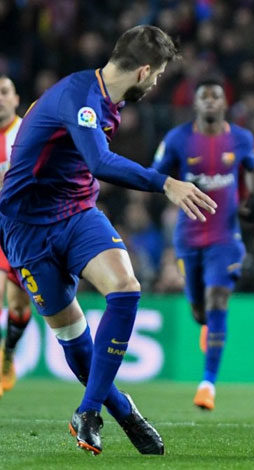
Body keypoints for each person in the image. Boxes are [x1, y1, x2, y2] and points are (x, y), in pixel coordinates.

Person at [0, 26, 217, 455]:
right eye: (158, 75)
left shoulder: (104, 98)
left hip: (77, 212)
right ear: (143, 71)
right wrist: (165, 183)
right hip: (26, 229)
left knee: (126, 288)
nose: (156, 84)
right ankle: (124, 410)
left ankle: (89, 411)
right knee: (74, 340)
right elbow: (99, 161)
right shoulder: (81, 98)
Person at [153, 77, 254, 411]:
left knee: (217, 298)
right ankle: (207, 325)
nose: (211, 101)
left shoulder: (241, 138)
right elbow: (155, 174)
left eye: (216, 96)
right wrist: (168, 188)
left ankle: (207, 384)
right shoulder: (177, 139)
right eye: (205, 96)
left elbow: (253, 169)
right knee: (200, 310)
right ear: (196, 103)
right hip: (188, 238)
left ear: (225, 103)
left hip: (225, 237)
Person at [0, 76, 32, 398]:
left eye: (4, 92)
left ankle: (7, 352)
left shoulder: (26, 133)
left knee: (19, 305)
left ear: (15, 98)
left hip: (20, 227)